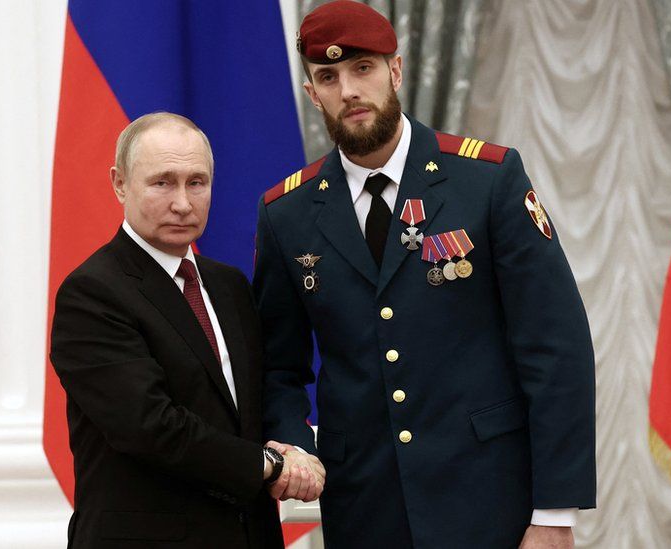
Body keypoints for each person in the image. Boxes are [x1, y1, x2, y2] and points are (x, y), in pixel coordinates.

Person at [252, 2, 596, 548]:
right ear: (313, 94)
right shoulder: (286, 215)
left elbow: (555, 349)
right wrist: (294, 447)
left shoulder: (486, 181)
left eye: (363, 68)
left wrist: (555, 513)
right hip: (364, 509)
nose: (349, 90)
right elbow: (277, 366)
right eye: (328, 77)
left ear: (396, 71)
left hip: (489, 502)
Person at [50, 112, 323, 548]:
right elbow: (150, 426)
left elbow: (259, 396)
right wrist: (268, 465)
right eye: (162, 182)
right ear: (120, 183)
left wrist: (295, 446)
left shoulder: (229, 286)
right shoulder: (92, 293)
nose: (182, 202)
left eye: (196, 182)